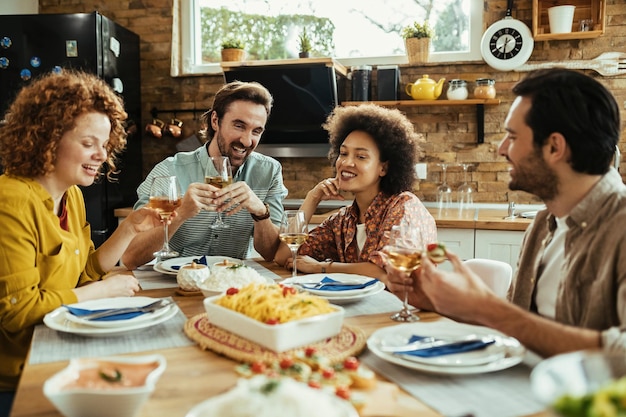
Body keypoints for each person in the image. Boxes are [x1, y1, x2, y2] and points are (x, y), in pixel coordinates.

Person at [392, 68, 625, 358]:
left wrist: (489, 308)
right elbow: (517, 328)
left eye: (512, 137)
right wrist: (436, 298)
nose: (502, 149)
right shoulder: (543, 224)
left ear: (554, 147)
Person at [0, 70, 164, 412]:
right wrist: (104, 290)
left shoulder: (71, 195)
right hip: (21, 378)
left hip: (64, 352)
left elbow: (85, 271)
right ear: (47, 137)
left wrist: (130, 228)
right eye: (89, 144)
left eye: (105, 145)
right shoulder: (11, 200)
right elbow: (18, 312)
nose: (102, 156)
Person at [122, 81, 288, 269]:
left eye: (256, 131)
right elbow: (130, 257)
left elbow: (272, 254)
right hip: (174, 282)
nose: (246, 140)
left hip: (232, 284)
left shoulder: (269, 171)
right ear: (215, 120)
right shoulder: (168, 172)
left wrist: (260, 213)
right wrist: (180, 213)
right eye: (239, 126)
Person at [274, 104, 437, 279]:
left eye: (360, 156)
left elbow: (387, 271)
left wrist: (322, 268)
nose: (346, 163)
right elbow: (284, 256)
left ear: (384, 168)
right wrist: (313, 197)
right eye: (343, 153)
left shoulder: (404, 207)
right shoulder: (342, 221)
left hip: (409, 305)